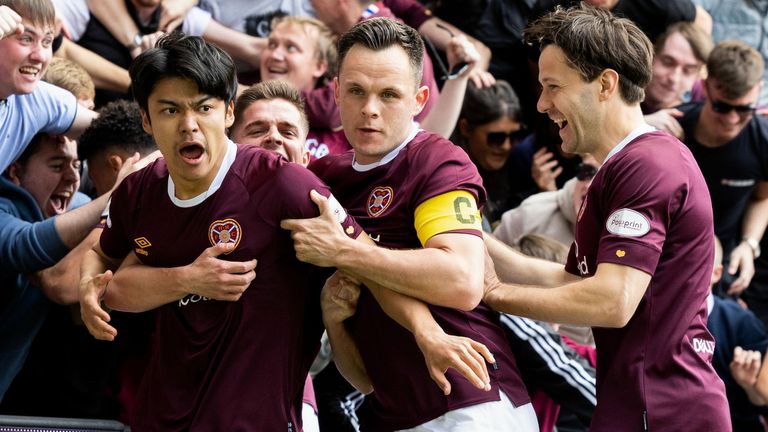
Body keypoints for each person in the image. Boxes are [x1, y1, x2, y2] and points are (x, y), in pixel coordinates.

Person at [281, 17, 536, 431]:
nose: (370, 109)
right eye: (356, 91)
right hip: (390, 410)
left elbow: (461, 278)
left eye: (389, 95)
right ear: (335, 92)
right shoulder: (328, 177)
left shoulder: (436, 160)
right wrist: (334, 320)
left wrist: (345, 250)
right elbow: (362, 378)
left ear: (419, 99)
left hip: (471, 405)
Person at [482, 5, 730, 431]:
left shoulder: (646, 165)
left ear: (605, 84)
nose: (541, 104)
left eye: (553, 86)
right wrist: (474, 239)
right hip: (638, 402)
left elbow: (611, 301)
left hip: (665, 409)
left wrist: (493, 294)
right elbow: (574, 284)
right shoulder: (623, 166)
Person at [0, 131, 135, 401]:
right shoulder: (4, 207)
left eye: (76, 165)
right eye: (57, 165)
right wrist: (118, 194)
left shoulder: (79, 207)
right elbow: (27, 248)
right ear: (15, 171)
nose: (73, 178)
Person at [676, 40, 768, 298]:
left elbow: (762, 197)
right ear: (705, 87)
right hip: (668, 254)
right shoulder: (673, 129)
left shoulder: (762, 141)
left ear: (759, 91)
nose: (732, 119)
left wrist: (749, 244)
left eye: (744, 109)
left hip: (720, 265)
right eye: (722, 106)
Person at [0, 0, 97, 172]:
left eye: (47, 41)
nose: (40, 56)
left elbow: (110, 129)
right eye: (26, 39)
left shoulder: (37, 100)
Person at [707, 236, 768, 431]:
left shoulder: (741, 322)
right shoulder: (653, 315)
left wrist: (748, 384)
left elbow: (762, 398)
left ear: (717, 274)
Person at [451, 80, 528, 225]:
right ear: (465, 128)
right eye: (496, 138)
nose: (506, 146)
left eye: (515, 136)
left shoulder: (521, 161)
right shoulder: (450, 176)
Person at [642, 21, 712, 138]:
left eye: (688, 70)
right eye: (667, 63)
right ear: (651, 56)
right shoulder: (624, 84)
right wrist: (643, 124)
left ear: (698, 75)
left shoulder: (706, 94)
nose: (674, 78)